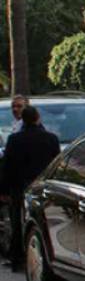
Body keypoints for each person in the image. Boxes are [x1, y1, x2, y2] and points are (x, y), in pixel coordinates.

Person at [1, 107, 59, 271]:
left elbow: (7, 166)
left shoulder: (14, 139)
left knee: (18, 223)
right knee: (41, 223)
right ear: (37, 118)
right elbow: (55, 165)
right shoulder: (51, 139)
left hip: (20, 187)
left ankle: (18, 258)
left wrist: (4, 190)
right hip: (42, 187)